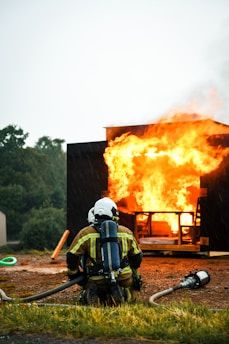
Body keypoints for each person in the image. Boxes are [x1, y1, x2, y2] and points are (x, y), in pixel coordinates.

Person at [66, 197, 143, 306]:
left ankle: (95, 296)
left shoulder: (85, 233)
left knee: (93, 289)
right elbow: (137, 257)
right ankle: (125, 295)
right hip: (123, 279)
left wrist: (76, 275)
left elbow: (72, 257)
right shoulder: (126, 232)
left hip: (96, 280)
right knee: (132, 292)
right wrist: (131, 269)